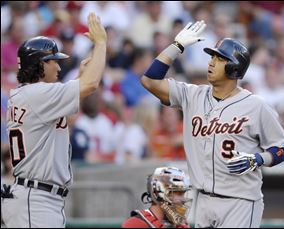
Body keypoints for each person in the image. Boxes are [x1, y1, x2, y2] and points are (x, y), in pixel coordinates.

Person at [140, 21, 284, 228]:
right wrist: (176, 47)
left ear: (234, 68)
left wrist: (258, 159)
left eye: (220, 59)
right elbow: (149, 80)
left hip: (240, 201)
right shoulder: (192, 95)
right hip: (201, 200)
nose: (211, 62)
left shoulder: (256, 106)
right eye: (212, 57)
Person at [1, 12, 107, 228]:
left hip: (39, 196)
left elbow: (65, 102)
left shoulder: (31, 95)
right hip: (36, 198)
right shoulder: (37, 94)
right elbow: (92, 84)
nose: (58, 67)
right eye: (52, 61)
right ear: (38, 64)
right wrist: (102, 44)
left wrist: (79, 78)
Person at [122, 166, 191, 228]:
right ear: (157, 193)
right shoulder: (136, 224)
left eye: (183, 193)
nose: (183, 199)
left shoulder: (181, 225)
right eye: (178, 193)